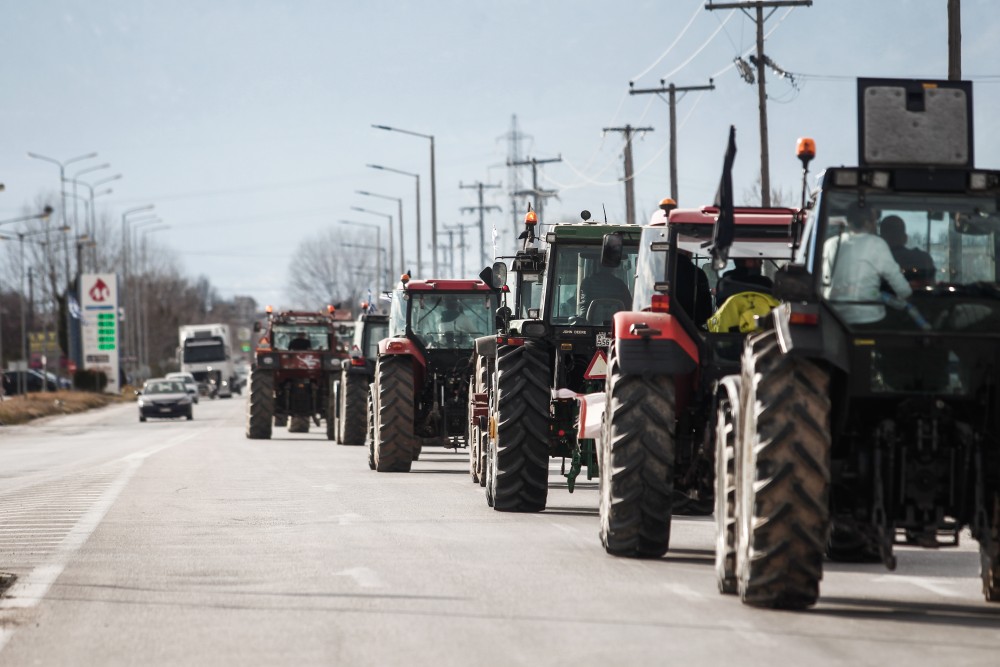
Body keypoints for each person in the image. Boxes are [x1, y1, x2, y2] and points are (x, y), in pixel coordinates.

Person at [823, 210, 911, 324]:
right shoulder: (877, 244)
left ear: (848, 222)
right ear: (868, 223)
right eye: (875, 221)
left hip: (835, 314)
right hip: (869, 316)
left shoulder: (831, 244)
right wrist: (907, 294)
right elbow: (895, 278)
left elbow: (824, 279)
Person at [878, 215, 936, 287]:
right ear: (905, 238)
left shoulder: (872, 261)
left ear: (881, 239)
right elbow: (931, 289)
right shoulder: (923, 259)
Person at [674, 250, 713, 326]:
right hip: (693, 325)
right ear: (688, 252)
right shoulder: (698, 274)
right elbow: (706, 309)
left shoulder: (661, 272)